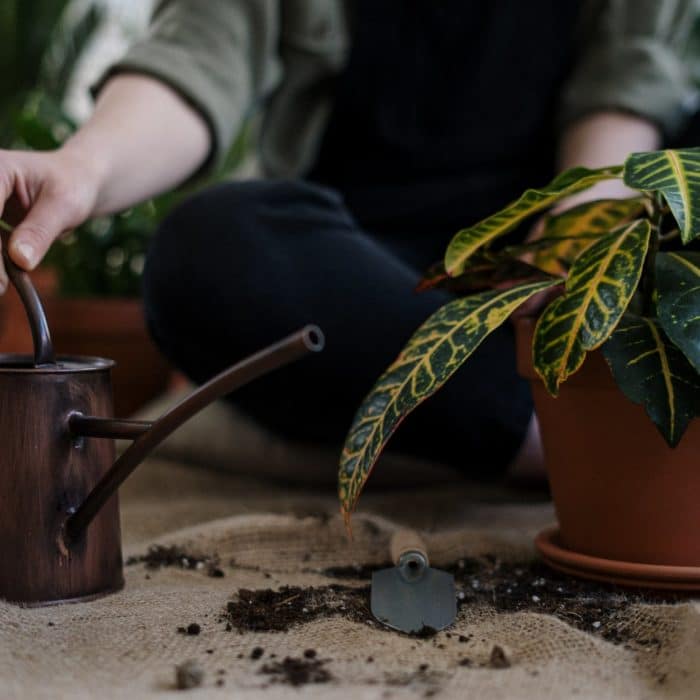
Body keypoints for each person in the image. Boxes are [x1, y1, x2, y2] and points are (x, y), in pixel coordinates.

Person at [0, 0, 698, 478]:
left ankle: (515, 417)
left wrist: (572, 245)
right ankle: (561, 442)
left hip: (545, 269)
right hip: (357, 278)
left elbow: (628, 90)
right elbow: (196, 57)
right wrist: (79, 171)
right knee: (206, 252)